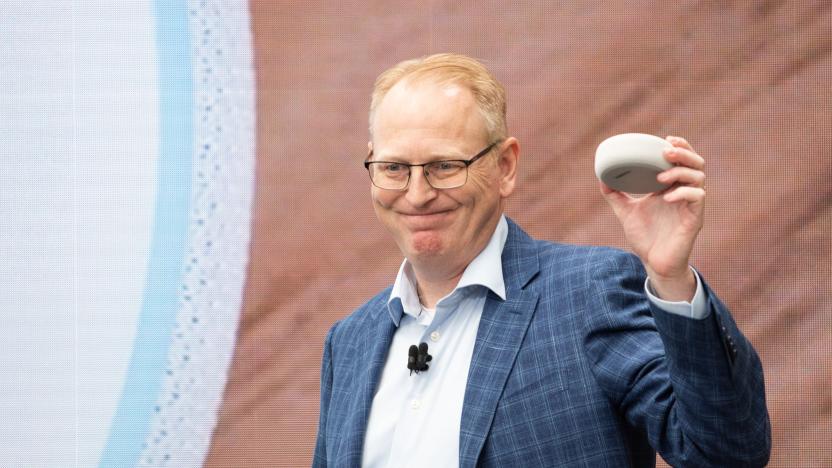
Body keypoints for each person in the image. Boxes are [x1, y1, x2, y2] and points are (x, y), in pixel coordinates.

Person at [313, 53, 770, 467]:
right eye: (395, 169)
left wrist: (671, 280)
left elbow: (725, 454)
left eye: (445, 166)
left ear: (506, 166)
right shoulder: (348, 342)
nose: (417, 194)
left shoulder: (589, 292)